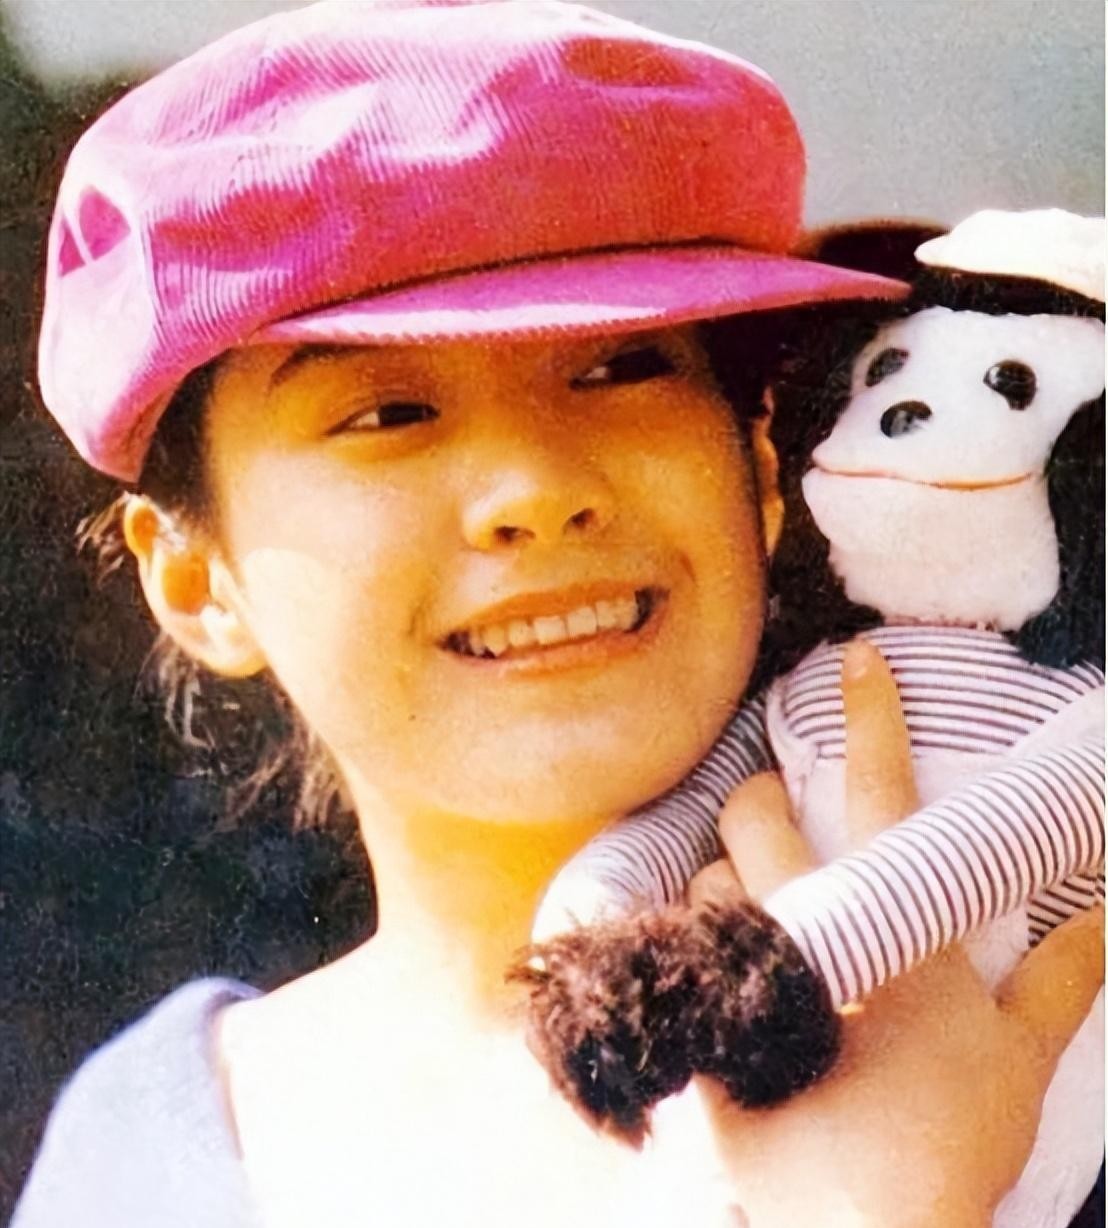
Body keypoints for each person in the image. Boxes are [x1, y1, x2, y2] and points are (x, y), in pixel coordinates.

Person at [13, 3, 1103, 1226]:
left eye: (620, 368)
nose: (535, 491)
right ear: (195, 579)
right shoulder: (139, 1150)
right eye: (387, 413)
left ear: (759, 471)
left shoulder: (1069, 1013)